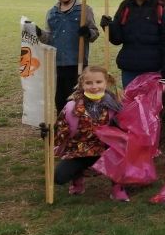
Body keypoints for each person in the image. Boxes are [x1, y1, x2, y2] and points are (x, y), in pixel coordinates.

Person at [46, 65, 129, 201]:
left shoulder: (115, 104)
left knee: (120, 153)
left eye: (98, 82)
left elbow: (125, 127)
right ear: (82, 84)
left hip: (105, 149)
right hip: (79, 150)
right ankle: (77, 177)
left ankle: (117, 188)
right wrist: (49, 133)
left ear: (106, 83)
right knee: (59, 178)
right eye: (89, 83)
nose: (94, 86)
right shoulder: (72, 106)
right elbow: (61, 129)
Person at [37, 0, 99, 112]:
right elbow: (49, 38)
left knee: (77, 99)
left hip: (77, 62)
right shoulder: (52, 13)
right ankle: (62, 125)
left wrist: (87, 33)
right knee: (60, 98)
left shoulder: (83, 10)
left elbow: (94, 34)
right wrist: (39, 33)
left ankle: (78, 127)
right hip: (58, 63)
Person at [102, 0, 165, 88]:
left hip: (153, 69)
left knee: (150, 105)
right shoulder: (125, 7)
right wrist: (108, 27)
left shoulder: (159, 8)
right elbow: (117, 39)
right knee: (131, 103)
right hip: (129, 68)